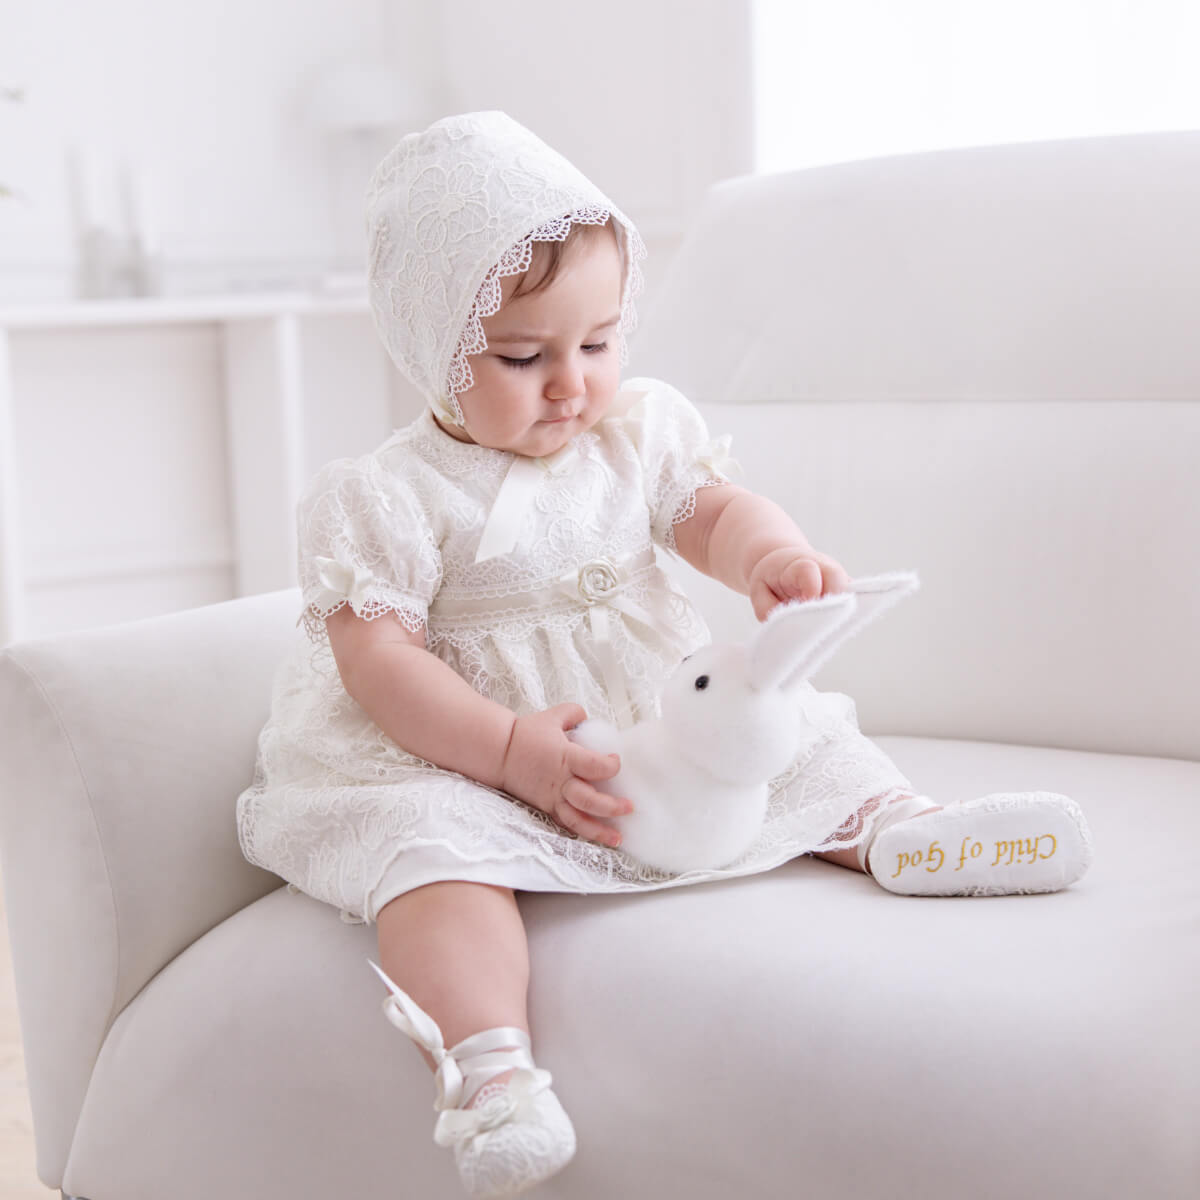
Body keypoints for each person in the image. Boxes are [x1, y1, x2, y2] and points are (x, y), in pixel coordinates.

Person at [236, 111, 1093, 1198]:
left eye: (597, 344)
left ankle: (904, 834)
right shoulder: (388, 496)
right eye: (521, 356)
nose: (570, 384)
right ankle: (491, 1069)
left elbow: (710, 509)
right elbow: (380, 665)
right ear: (428, 342)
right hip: (466, 750)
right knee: (430, 857)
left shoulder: (635, 433)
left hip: (646, 717)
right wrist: (505, 752)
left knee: (791, 735)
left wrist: (767, 555)